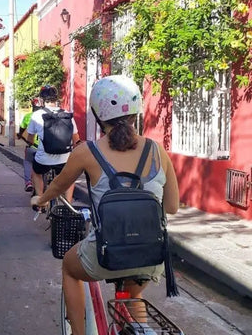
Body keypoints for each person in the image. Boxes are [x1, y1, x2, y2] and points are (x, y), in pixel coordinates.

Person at [31, 75, 180, 335]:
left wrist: (40, 199)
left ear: (98, 115)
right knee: (132, 297)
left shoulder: (87, 151)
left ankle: (78, 332)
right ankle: (140, 328)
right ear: (135, 112)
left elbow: (56, 186)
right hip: (151, 255)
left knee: (69, 266)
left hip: (103, 255)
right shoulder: (158, 150)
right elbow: (172, 207)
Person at [26, 85, 81, 201]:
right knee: (69, 179)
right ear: (56, 99)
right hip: (64, 158)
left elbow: (30, 138)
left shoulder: (36, 115)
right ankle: (68, 203)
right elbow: (76, 139)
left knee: (36, 173)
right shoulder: (67, 114)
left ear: (42, 99)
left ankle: (40, 200)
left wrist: (30, 143)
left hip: (43, 159)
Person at [17, 97, 42, 192]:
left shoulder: (28, 116)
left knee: (28, 162)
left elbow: (22, 129)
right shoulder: (47, 116)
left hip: (32, 147)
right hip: (45, 148)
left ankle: (28, 182)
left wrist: (19, 135)